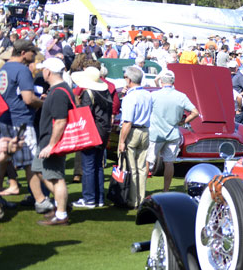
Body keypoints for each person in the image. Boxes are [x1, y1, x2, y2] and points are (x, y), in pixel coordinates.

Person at [0, 39, 48, 212]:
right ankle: (41, 200)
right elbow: (28, 99)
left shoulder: (4, 68)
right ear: (23, 53)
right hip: (20, 121)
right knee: (32, 163)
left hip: (5, 118)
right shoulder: (22, 69)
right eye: (32, 52)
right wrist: (45, 104)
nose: (34, 56)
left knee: (4, 161)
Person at [34, 58, 75, 226]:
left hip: (52, 142)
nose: (41, 72)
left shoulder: (59, 92)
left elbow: (60, 121)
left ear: (48, 72)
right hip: (47, 139)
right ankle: (62, 203)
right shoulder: (58, 89)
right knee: (38, 170)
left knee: (56, 178)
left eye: (43, 69)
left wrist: (51, 145)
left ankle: (61, 214)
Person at [147, 70, 199, 193]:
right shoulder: (181, 96)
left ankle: (141, 190)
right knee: (169, 163)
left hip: (155, 134)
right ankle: (166, 190)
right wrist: (183, 122)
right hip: (172, 133)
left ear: (161, 81)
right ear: (173, 81)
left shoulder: (154, 95)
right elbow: (195, 112)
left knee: (148, 161)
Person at [70, 65, 113, 208]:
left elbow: (85, 113)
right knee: (98, 166)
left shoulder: (89, 94)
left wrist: (77, 103)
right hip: (104, 131)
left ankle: (89, 198)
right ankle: (98, 198)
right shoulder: (105, 92)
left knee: (88, 166)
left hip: (92, 131)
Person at [119, 65, 153, 209]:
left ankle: (132, 200)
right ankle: (141, 198)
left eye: (125, 77)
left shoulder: (130, 97)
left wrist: (121, 141)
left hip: (133, 131)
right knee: (141, 168)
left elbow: (127, 122)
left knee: (131, 167)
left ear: (130, 79)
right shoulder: (148, 94)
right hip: (145, 130)